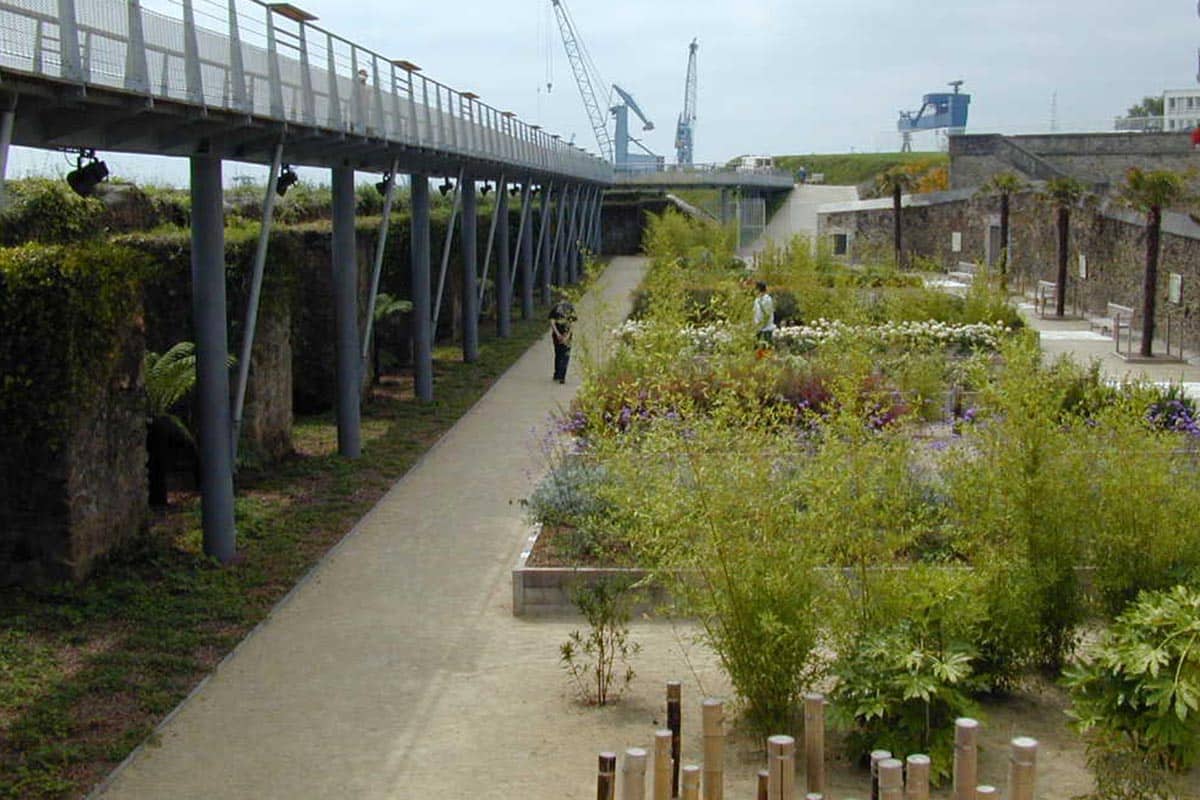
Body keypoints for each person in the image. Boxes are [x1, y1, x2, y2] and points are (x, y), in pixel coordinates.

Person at [549, 299, 575, 383]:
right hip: (566, 334)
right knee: (565, 356)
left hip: (557, 335)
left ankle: (557, 374)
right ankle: (562, 376)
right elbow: (572, 324)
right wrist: (567, 336)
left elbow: (552, 322)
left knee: (558, 354)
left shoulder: (555, 307)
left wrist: (557, 334)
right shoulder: (570, 308)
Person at [752, 280, 776, 345]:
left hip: (766, 329)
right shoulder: (757, 300)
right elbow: (755, 313)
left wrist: (762, 325)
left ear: (759, 289)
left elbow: (768, 315)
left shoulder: (767, 299)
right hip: (758, 329)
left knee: (766, 350)